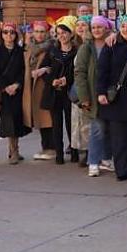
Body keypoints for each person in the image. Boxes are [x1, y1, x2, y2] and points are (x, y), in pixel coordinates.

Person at [97, 14, 127, 181]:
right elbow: (102, 70)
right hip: (117, 99)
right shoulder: (112, 45)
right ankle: (122, 170)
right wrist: (101, 92)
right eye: (123, 26)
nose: (126, 30)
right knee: (119, 137)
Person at [76, 16, 114, 177]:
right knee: (97, 129)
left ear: (106, 28)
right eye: (94, 27)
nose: (97, 30)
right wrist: (84, 97)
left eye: (100, 27)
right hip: (92, 94)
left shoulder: (113, 43)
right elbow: (80, 72)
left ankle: (106, 158)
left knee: (108, 128)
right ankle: (93, 161)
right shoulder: (86, 47)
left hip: (110, 93)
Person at [0, 22, 31, 164]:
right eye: (5, 32)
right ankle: (13, 151)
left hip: (18, 90)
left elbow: (24, 70)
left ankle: (14, 149)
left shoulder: (21, 51)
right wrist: (5, 87)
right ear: (1, 34)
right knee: (8, 120)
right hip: (3, 91)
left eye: (11, 32)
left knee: (17, 120)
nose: (9, 35)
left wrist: (17, 85)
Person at [42, 16, 78, 165]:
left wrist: (67, 80)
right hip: (54, 93)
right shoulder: (52, 51)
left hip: (69, 93)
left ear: (71, 34)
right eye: (59, 33)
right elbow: (44, 70)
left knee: (71, 123)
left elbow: (78, 72)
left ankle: (74, 152)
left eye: (65, 32)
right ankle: (59, 154)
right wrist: (52, 81)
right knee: (56, 125)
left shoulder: (76, 51)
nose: (62, 36)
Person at [23, 20, 55, 160]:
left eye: (42, 31)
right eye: (36, 31)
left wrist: (45, 70)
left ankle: (51, 148)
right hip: (32, 86)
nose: (39, 34)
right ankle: (45, 147)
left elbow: (57, 66)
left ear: (47, 33)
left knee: (48, 119)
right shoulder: (30, 47)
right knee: (40, 119)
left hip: (45, 86)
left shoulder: (52, 47)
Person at [69, 16, 92, 168]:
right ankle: (81, 151)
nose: (81, 28)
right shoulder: (76, 45)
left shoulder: (90, 45)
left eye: (84, 25)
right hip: (76, 89)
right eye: (78, 25)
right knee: (78, 123)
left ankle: (90, 153)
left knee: (87, 124)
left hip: (86, 89)